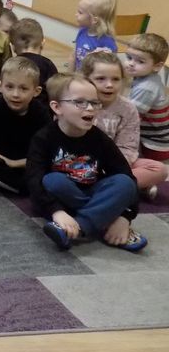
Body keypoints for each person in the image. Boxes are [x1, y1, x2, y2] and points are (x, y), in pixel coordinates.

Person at [27, 74, 146, 252]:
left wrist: (124, 217)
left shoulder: (100, 139)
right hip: (60, 200)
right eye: (80, 102)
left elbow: (127, 177)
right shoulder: (43, 138)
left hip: (91, 191)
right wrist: (56, 211)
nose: (90, 108)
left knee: (124, 182)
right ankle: (103, 217)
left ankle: (79, 227)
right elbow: (34, 180)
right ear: (57, 107)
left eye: (94, 102)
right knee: (52, 180)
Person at [84, 50, 168, 199]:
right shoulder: (78, 103)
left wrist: (109, 167)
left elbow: (128, 147)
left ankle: (106, 187)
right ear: (86, 79)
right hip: (80, 162)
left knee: (159, 169)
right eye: (101, 79)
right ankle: (121, 188)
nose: (109, 85)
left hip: (115, 163)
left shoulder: (128, 108)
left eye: (116, 79)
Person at [0, 57, 51, 194]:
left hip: (27, 163)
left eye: (24, 88)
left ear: (36, 91)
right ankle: (23, 188)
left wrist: (13, 163)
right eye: (9, 87)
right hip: (1, 161)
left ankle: (2, 184)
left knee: (50, 173)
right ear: (0, 86)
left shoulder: (41, 113)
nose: (15, 94)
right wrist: (4, 161)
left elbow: (42, 155)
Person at [124, 33, 169, 160]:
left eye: (140, 61)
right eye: (129, 57)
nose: (131, 63)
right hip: (154, 138)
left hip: (154, 146)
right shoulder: (147, 77)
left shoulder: (147, 88)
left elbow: (130, 118)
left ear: (157, 66)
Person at [8, 18, 58, 102]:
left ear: (12, 47)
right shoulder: (48, 65)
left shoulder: (10, 65)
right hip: (42, 107)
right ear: (43, 43)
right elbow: (56, 90)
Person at [73, 0, 117, 69]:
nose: (76, 14)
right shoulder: (82, 31)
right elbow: (73, 56)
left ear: (94, 20)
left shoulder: (107, 42)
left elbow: (110, 67)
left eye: (80, 12)